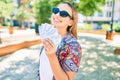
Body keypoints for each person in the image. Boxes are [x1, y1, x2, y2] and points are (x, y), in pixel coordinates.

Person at [39, 2, 82, 80]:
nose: (57, 14)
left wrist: (52, 56)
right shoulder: (49, 37)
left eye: (63, 13)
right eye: (55, 11)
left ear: (70, 22)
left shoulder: (74, 46)